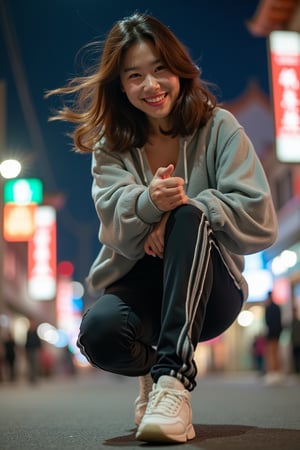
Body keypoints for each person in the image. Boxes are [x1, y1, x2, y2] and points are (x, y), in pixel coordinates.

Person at [46, 13, 277, 444]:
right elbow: (114, 223)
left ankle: (173, 383)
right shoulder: (110, 145)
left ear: (178, 70)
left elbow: (259, 216)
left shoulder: (219, 127)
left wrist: (180, 211)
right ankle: (156, 374)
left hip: (211, 292)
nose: (150, 86)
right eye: (135, 76)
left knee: (190, 216)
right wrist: (149, 202)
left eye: (159, 70)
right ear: (120, 86)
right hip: (141, 283)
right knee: (100, 335)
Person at [264, 290, 283, 384]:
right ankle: (277, 373)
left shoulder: (268, 308)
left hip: (271, 335)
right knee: (276, 353)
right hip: (276, 334)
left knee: (271, 354)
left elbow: (266, 322)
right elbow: (280, 323)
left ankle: (272, 374)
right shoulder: (277, 307)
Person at [25, 320, 42, 384]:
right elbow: (26, 342)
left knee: (35, 364)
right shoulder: (28, 332)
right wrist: (25, 350)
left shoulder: (35, 332)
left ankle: (35, 378)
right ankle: (30, 378)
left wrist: (39, 349)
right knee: (30, 364)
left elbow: (38, 342)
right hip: (29, 350)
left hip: (35, 350)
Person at [290, 306, 300, 375]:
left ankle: (298, 369)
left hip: (298, 342)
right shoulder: (292, 322)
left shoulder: (298, 322)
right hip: (294, 342)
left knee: (298, 357)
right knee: (294, 357)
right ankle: (296, 370)